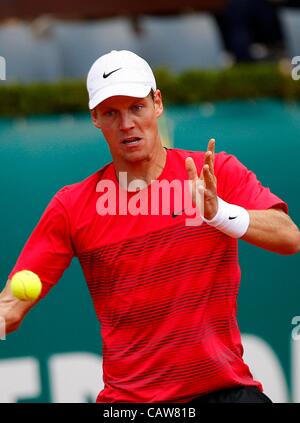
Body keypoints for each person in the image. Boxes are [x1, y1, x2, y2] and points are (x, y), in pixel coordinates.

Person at [0, 50, 299, 403]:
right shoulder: (71, 206)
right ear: (95, 117)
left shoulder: (215, 172)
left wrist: (221, 214)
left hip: (227, 393)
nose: (126, 123)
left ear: (157, 104)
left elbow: (289, 236)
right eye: (111, 112)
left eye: (136, 108)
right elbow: (11, 307)